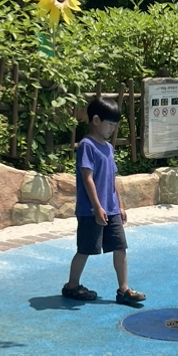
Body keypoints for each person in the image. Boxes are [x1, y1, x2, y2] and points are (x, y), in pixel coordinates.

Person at [62, 96, 145, 306]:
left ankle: (124, 290)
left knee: (120, 246)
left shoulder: (108, 147)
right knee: (85, 249)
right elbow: (87, 178)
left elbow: (113, 178)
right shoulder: (87, 145)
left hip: (112, 208)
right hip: (91, 210)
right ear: (96, 120)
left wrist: (120, 205)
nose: (113, 129)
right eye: (110, 124)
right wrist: (97, 207)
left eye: (115, 125)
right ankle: (71, 285)